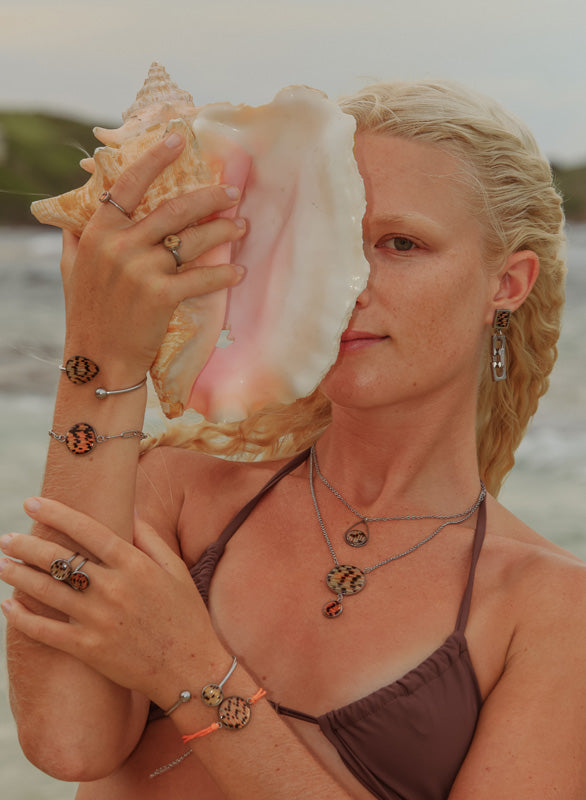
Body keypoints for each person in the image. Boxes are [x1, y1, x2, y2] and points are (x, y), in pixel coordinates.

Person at [1, 79, 584, 800]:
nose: (349, 283)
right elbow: (65, 741)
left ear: (509, 283)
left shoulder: (553, 609)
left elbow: (168, 676)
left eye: (400, 244)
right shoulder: (176, 492)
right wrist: (100, 354)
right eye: (330, 238)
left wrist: (187, 667)